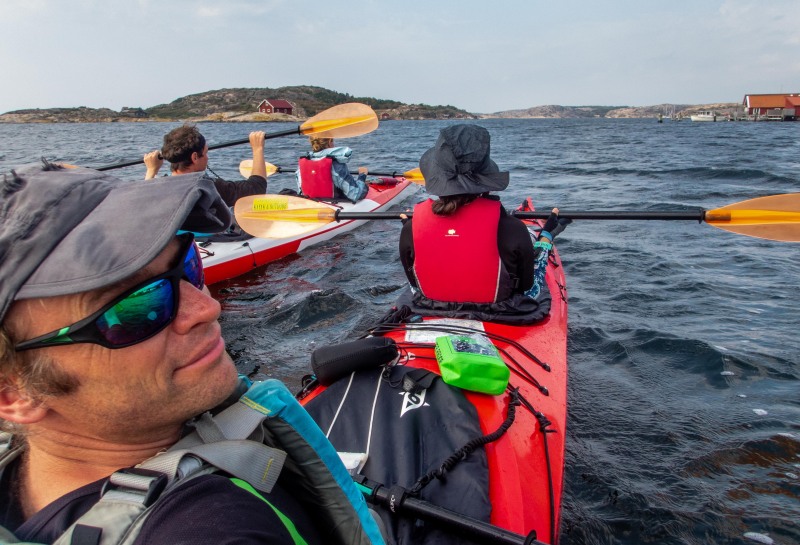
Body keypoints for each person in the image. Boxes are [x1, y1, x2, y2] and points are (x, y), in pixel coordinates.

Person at [0, 162, 383, 544]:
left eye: (188, 265)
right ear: (13, 393)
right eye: (135, 308)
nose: (206, 308)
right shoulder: (216, 526)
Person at [399, 124, 567, 306]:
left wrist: (416, 229)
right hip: (500, 308)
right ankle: (547, 235)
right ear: (485, 179)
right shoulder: (513, 228)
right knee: (537, 258)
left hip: (433, 304)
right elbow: (526, 285)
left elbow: (414, 282)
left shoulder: (410, 229)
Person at [144, 124, 268, 206]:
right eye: (205, 153)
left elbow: (142, 203)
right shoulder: (209, 187)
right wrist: (257, 149)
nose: (207, 158)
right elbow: (257, 188)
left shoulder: (158, 189)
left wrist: (151, 170)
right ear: (195, 157)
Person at [295, 136, 369, 202]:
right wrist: (362, 176)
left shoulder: (301, 165)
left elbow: (301, 192)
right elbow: (355, 195)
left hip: (311, 205)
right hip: (334, 206)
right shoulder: (335, 164)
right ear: (330, 142)